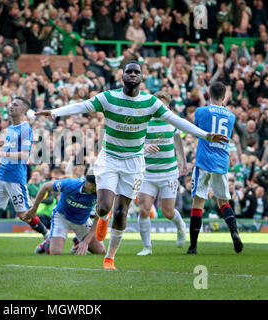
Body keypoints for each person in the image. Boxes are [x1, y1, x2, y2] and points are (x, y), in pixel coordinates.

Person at [36, 60, 228, 270]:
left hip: (134, 163)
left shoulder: (150, 102)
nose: (133, 74)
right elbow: (82, 106)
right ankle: (101, 218)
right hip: (109, 158)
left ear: (142, 77)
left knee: (120, 213)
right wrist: (55, 112)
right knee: (104, 206)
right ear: (123, 76)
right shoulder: (109, 98)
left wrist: (206, 136)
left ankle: (109, 258)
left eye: (137, 72)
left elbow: (177, 121)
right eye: (129, 71)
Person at [0, 96, 49, 254]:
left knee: (23, 215)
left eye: (15, 104)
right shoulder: (10, 128)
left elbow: (25, 155)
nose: (11, 106)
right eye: (11, 103)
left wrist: (0, 152)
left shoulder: (25, 129)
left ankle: (46, 234)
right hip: (0, 175)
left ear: (23, 110)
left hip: (15, 179)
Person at [188, 81, 243, 254]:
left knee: (198, 201)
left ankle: (193, 246)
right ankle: (234, 232)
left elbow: (196, 131)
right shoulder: (231, 116)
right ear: (225, 95)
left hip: (204, 160)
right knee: (223, 202)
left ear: (208, 94)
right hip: (221, 161)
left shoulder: (201, 111)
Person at [136, 91, 188, 256]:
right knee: (144, 209)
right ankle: (147, 247)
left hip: (168, 173)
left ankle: (180, 227)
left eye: (163, 104)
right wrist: (145, 147)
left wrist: (184, 162)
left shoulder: (172, 120)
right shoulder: (144, 122)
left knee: (168, 212)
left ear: (167, 106)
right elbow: (136, 142)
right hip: (148, 173)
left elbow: (178, 139)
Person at [28, 175, 105, 255]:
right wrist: (34, 209)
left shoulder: (101, 194)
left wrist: (86, 242)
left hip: (83, 221)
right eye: (97, 186)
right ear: (89, 185)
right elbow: (45, 186)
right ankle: (47, 243)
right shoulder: (71, 184)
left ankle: (78, 242)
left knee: (101, 251)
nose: (99, 189)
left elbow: (97, 219)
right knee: (56, 253)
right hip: (62, 217)